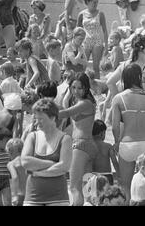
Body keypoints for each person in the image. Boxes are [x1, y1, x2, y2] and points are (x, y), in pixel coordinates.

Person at [111, 63, 145, 203]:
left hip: (128, 144)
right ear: (139, 78)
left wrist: (117, 142)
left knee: (126, 186)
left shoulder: (118, 98)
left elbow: (114, 127)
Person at [21, 98, 72, 206]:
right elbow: (25, 162)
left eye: (41, 119)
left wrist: (37, 172)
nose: (37, 122)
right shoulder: (32, 136)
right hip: (33, 195)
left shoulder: (65, 139)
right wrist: (51, 164)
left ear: (53, 118)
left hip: (58, 197)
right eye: (36, 118)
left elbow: (64, 167)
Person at [58, 73, 97, 206]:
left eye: (79, 88)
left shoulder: (85, 103)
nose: (76, 91)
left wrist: (44, 110)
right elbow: (70, 113)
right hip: (88, 146)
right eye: (73, 87)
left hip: (80, 146)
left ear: (86, 88)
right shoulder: (85, 103)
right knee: (88, 190)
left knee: (75, 188)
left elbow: (66, 113)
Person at [77, 0, 108, 79]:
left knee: (96, 67)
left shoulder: (100, 14)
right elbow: (77, 31)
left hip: (97, 41)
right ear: (87, 2)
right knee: (82, 67)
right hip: (85, 41)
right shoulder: (81, 14)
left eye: (97, 2)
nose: (96, 4)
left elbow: (105, 30)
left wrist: (106, 46)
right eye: (93, 2)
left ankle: (98, 87)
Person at [92, 120, 119, 185]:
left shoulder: (89, 146)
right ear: (102, 133)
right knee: (107, 194)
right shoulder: (108, 146)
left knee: (94, 194)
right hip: (107, 176)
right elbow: (114, 162)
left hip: (93, 176)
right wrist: (119, 174)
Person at [6, 138, 26, 206]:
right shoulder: (27, 161)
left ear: (10, 151)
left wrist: (14, 196)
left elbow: (15, 177)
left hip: (20, 195)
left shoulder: (11, 164)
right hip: (30, 194)